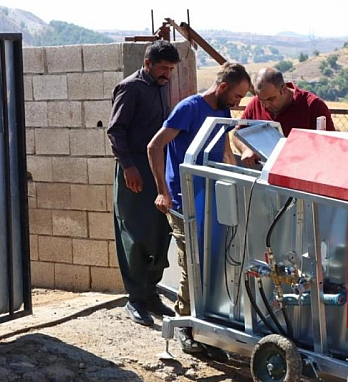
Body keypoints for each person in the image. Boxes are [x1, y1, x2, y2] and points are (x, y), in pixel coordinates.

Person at [147, 62, 251, 353]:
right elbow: (154, 146)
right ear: (222, 87)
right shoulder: (189, 109)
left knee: (212, 262)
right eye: (237, 96)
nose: (238, 103)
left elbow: (225, 151)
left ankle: (205, 327)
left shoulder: (222, 111)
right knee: (192, 265)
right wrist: (162, 192)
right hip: (183, 200)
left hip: (212, 198)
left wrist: (240, 175)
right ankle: (184, 325)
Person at [107, 40, 180, 327]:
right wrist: (129, 167)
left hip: (158, 168)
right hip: (135, 169)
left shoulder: (161, 87)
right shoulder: (130, 88)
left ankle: (151, 292)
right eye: (163, 68)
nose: (167, 74)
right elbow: (116, 131)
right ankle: (135, 299)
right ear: (147, 63)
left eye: (171, 69)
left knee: (160, 232)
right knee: (135, 235)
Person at [232, 67, 335, 166]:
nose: (266, 105)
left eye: (271, 99)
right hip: (264, 175)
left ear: (284, 89)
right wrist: (246, 149)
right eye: (261, 100)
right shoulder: (256, 103)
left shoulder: (313, 106)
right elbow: (237, 133)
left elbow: (331, 145)